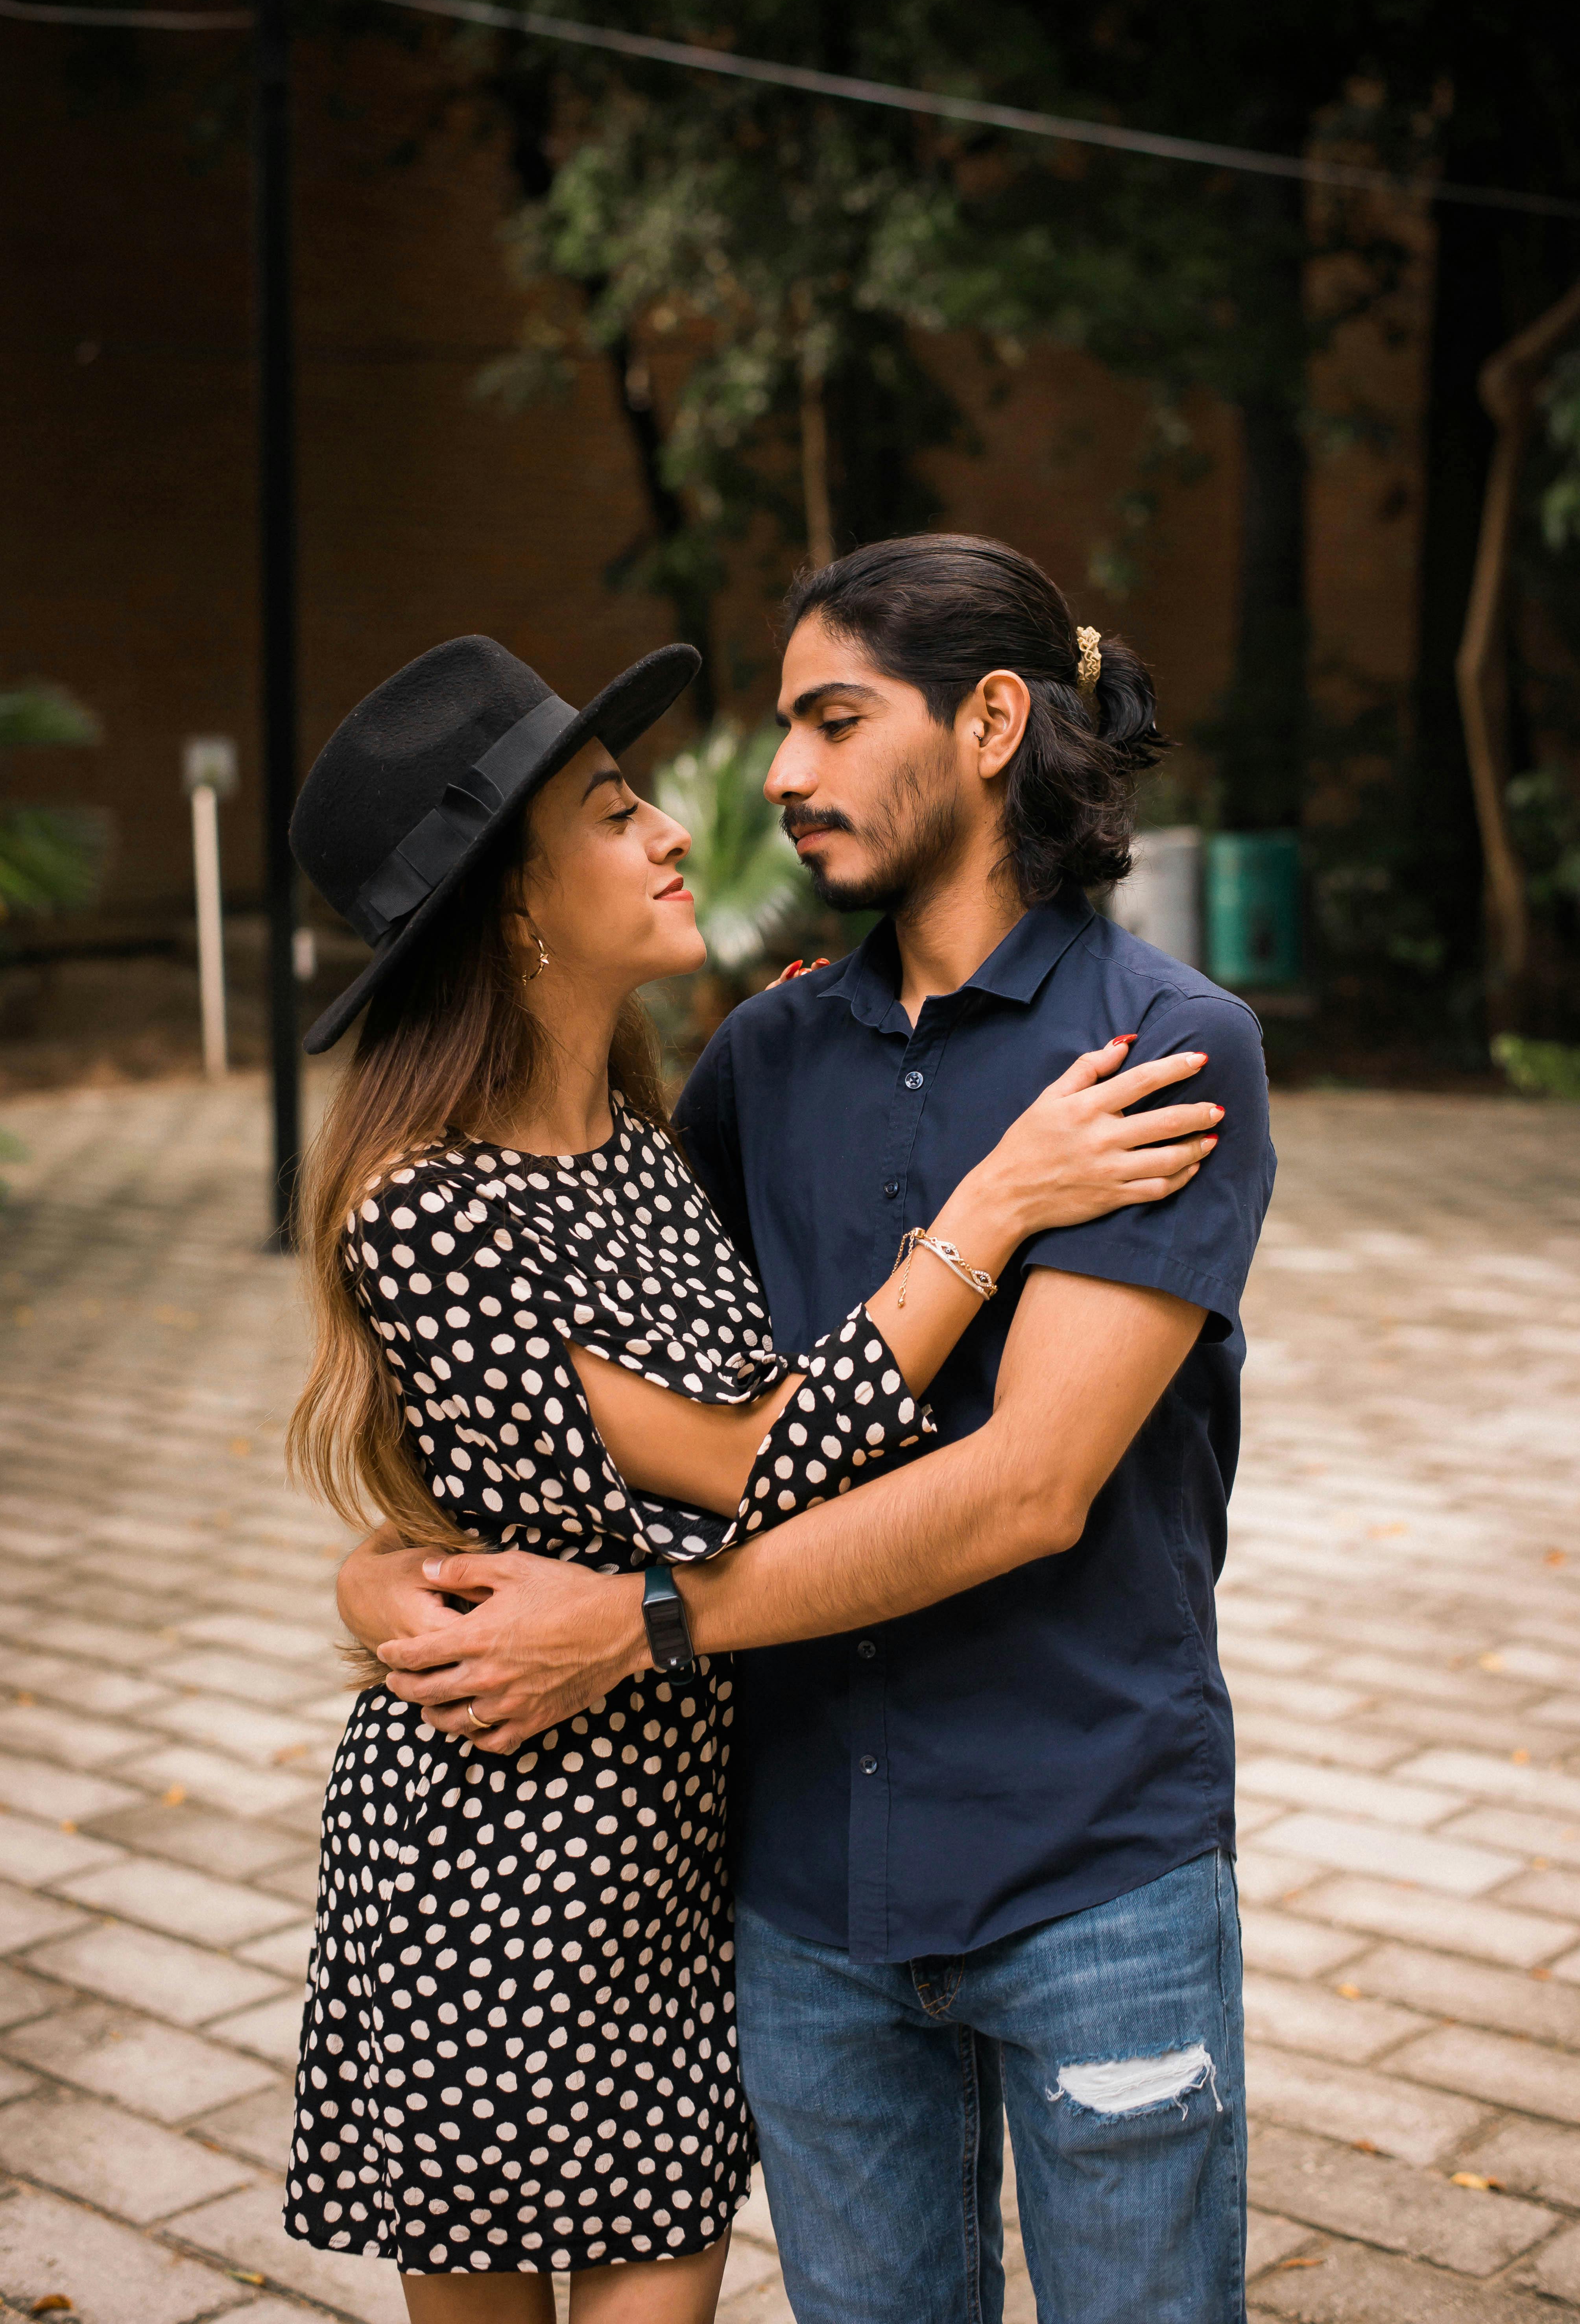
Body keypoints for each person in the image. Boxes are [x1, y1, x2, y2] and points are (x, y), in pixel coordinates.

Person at [361, 539, 1277, 2324]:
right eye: (782, 727)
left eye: (830, 719)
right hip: (800, 1901)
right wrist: (376, 1573)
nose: (777, 775)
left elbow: (1022, 1489)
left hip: (1084, 1863)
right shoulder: (756, 1066)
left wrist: (634, 1622)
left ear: (993, 721)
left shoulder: (1159, 1050)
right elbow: (571, 1406)